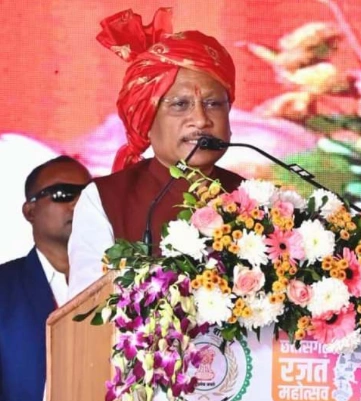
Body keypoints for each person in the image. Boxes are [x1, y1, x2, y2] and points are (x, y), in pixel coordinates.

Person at [68, 8, 244, 298]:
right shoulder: (105, 199)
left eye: (213, 104)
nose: (201, 120)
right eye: (180, 105)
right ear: (147, 120)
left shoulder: (254, 198)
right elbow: (86, 311)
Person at [0, 156, 91, 401]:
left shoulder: (117, 283)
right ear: (30, 211)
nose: (79, 203)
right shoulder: (4, 287)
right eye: (63, 194)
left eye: (87, 194)